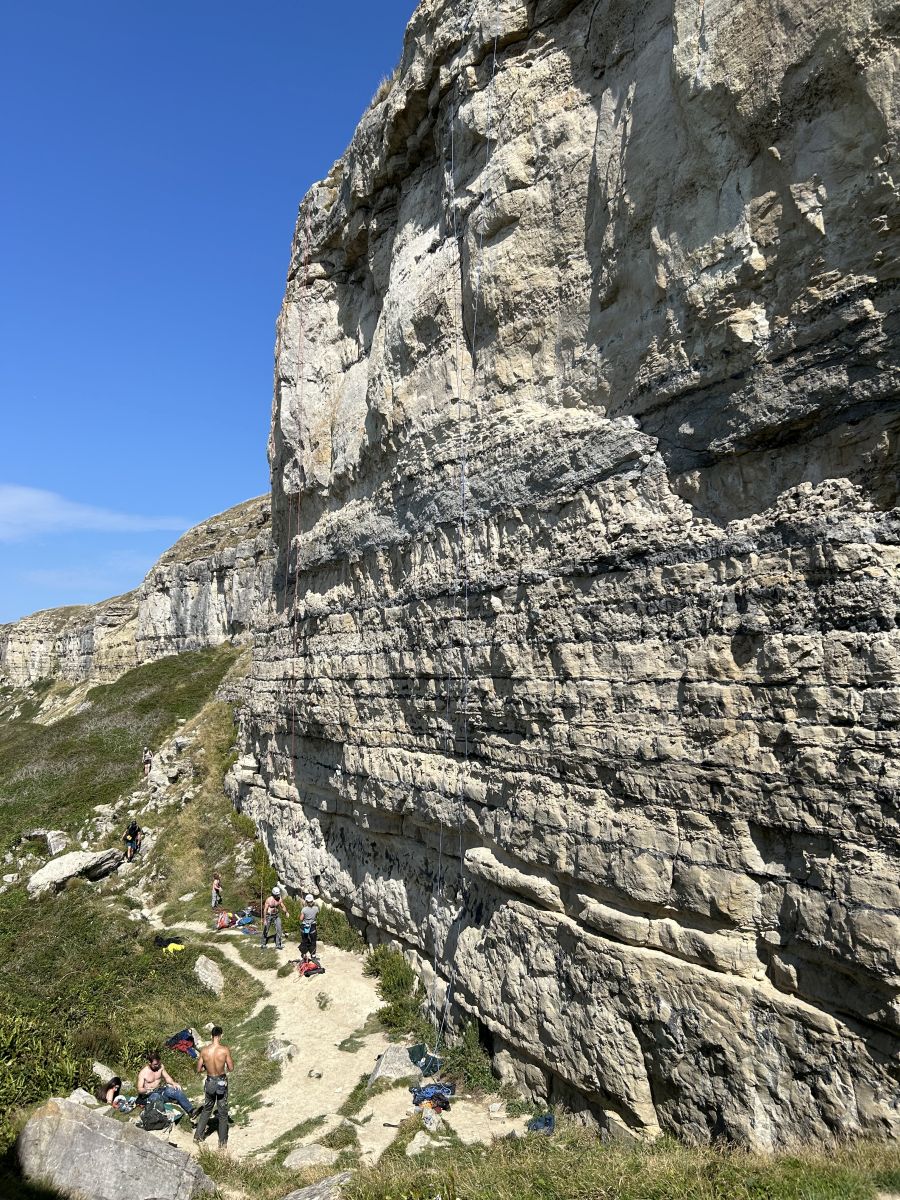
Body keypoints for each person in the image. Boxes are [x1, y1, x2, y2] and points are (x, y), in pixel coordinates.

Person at [193, 1025, 234, 1151]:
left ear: (211, 1036)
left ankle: (198, 1136)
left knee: (207, 1108)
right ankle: (222, 1143)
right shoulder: (224, 1050)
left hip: (210, 1081)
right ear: (221, 1035)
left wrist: (207, 1067)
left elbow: (198, 1069)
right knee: (222, 1113)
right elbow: (231, 1068)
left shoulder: (204, 1051)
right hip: (221, 1081)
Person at [136, 1050, 195, 1117]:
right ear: (149, 1063)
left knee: (176, 1091)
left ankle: (191, 1111)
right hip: (150, 1094)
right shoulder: (143, 1073)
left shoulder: (161, 1066)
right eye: (155, 1064)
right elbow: (139, 1089)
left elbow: (167, 1077)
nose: (157, 1065)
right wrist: (147, 1090)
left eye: (158, 1063)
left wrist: (173, 1083)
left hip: (161, 1090)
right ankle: (162, 1117)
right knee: (156, 1096)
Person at [260, 885, 287, 950]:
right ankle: (263, 943)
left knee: (279, 929)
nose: (277, 896)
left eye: (278, 895)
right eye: (276, 895)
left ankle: (278, 944)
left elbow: (283, 906)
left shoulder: (279, 899)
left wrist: (286, 912)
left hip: (276, 915)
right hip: (269, 916)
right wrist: (264, 920)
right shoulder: (269, 900)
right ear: (273, 894)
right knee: (266, 929)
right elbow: (265, 910)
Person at [299, 893, 320, 961]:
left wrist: (303, 908)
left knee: (304, 940)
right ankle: (313, 955)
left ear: (306, 901)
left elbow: (301, 919)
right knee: (313, 941)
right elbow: (316, 915)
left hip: (305, 926)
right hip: (312, 926)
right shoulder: (316, 908)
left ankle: (304, 954)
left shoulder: (304, 909)